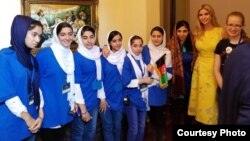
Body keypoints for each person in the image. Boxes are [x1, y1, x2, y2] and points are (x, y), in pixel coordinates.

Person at [0, 15, 44, 141]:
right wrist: (28, 119)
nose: (38, 39)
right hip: (12, 123)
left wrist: (40, 114)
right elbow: (8, 94)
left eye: (39, 35)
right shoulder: (4, 58)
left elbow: (36, 88)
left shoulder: (31, 58)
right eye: (34, 34)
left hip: (32, 120)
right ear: (20, 31)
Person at [36, 22, 76, 141]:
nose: (67, 37)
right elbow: (35, 82)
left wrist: (73, 101)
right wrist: (40, 108)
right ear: (56, 36)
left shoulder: (69, 54)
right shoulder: (44, 54)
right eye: (63, 34)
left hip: (65, 106)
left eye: (70, 34)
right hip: (49, 108)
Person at [187, 3, 226, 125]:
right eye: (200, 15)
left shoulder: (221, 31)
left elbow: (226, 51)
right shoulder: (196, 33)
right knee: (201, 99)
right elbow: (194, 52)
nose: (203, 17)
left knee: (211, 99)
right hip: (199, 69)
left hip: (214, 67)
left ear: (211, 15)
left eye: (206, 14)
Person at [71, 25, 106, 141]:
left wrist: (101, 98)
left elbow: (98, 78)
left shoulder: (97, 53)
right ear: (80, 39)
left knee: (91, 132)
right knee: (78, 134)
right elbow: (76, 85)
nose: (89, 41)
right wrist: (83, 109)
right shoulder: (77, 56)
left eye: (91, 37)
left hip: (94, 100)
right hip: (81, 101)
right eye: (85, 37)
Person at [142, 26, 172, 141]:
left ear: (163, 37)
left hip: (159, 88)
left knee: (159, 118)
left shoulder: (167, 52)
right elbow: (134, 61)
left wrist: (159, 75)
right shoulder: (144, 49)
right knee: (148, 118)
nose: (156, 39)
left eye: (159, 36)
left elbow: (169, 73)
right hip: (145, 88)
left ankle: (160, 137)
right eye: (153, 36)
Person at [122, 35, 153, 141]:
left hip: (142, 97)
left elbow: (146, 75)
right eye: (135, 46)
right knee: (134, 128)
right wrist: (143, 80)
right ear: (130, 46)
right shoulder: (127, 60)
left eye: (140, 46)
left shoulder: (143, 59)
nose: (138, 48)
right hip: (130, 97)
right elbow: (126, 82)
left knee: (142, 127)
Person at [167, 20, 196, 125]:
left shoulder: (193, 44)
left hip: (191, 81)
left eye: (185, 31)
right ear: (175, 32)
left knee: (188, 112)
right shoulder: (170, 45)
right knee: (176, 112)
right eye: (179, 31)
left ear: (189, 32)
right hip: (177, 82)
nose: (182, 34)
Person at [100, 30, 126, 141]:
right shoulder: (103, 57)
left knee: (117, 127)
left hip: (118, 98)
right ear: (109, 42)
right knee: (107, 128)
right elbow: (97, 80)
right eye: (114, 41)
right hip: (104, 100)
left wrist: (117, 89)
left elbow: (126, 79)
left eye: (119, 40)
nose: (117, 43)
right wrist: (102, 99)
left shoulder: (126, 56)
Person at [214, 11, 250, 91]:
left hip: (243, 91)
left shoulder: (248, 45)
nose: (233, 29)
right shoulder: (221, 44)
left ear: (242, 26)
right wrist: (224, 89)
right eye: (230, 25)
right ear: (226, 25)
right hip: (224, 90)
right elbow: (216, 70)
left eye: (237, 25)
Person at [218, 42, 250, 124]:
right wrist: (225, 88)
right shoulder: (239, 54)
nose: (233, 28)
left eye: (237, 27)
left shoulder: (239, 51)